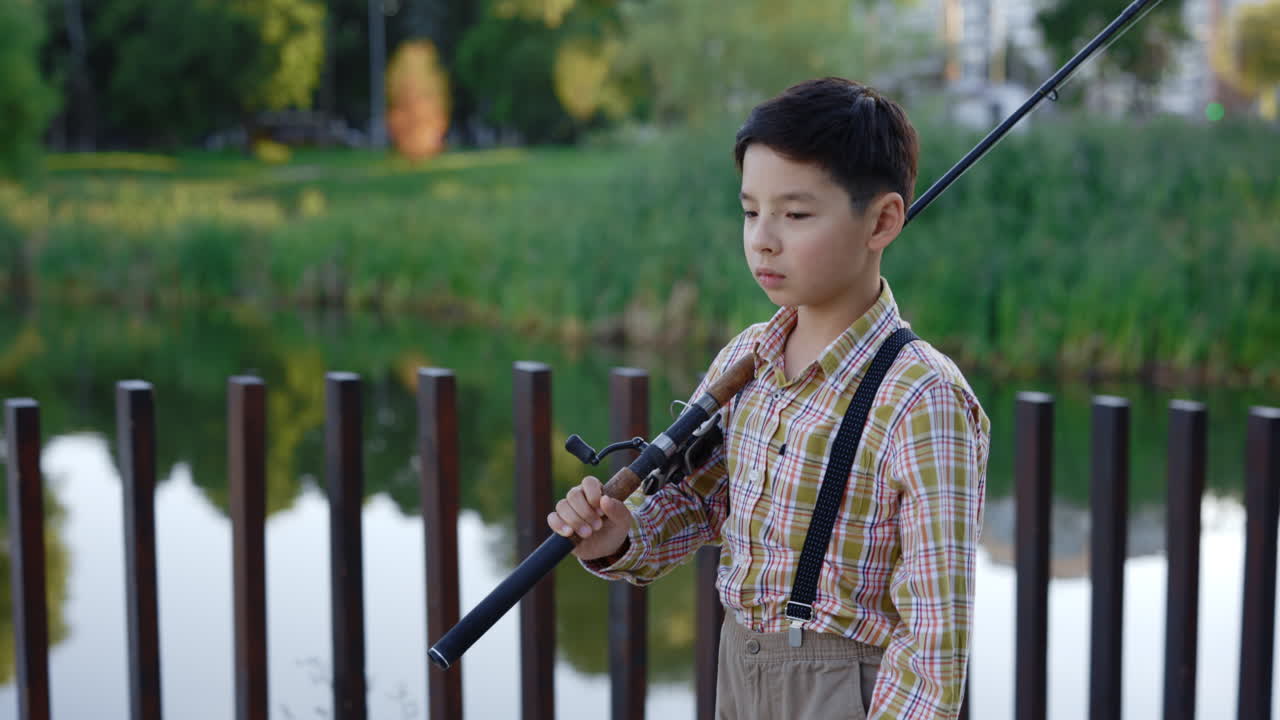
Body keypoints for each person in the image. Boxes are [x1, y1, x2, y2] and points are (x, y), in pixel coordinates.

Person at [547, 77, 990, 720]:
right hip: (740, 667)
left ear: (882, 221)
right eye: (751, 211)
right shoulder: (746, 358)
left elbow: (934, 642)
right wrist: (620, 536)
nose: (763, 239)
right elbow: (700, 502)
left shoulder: (923, 399)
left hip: (846, 689)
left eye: (796, 214)